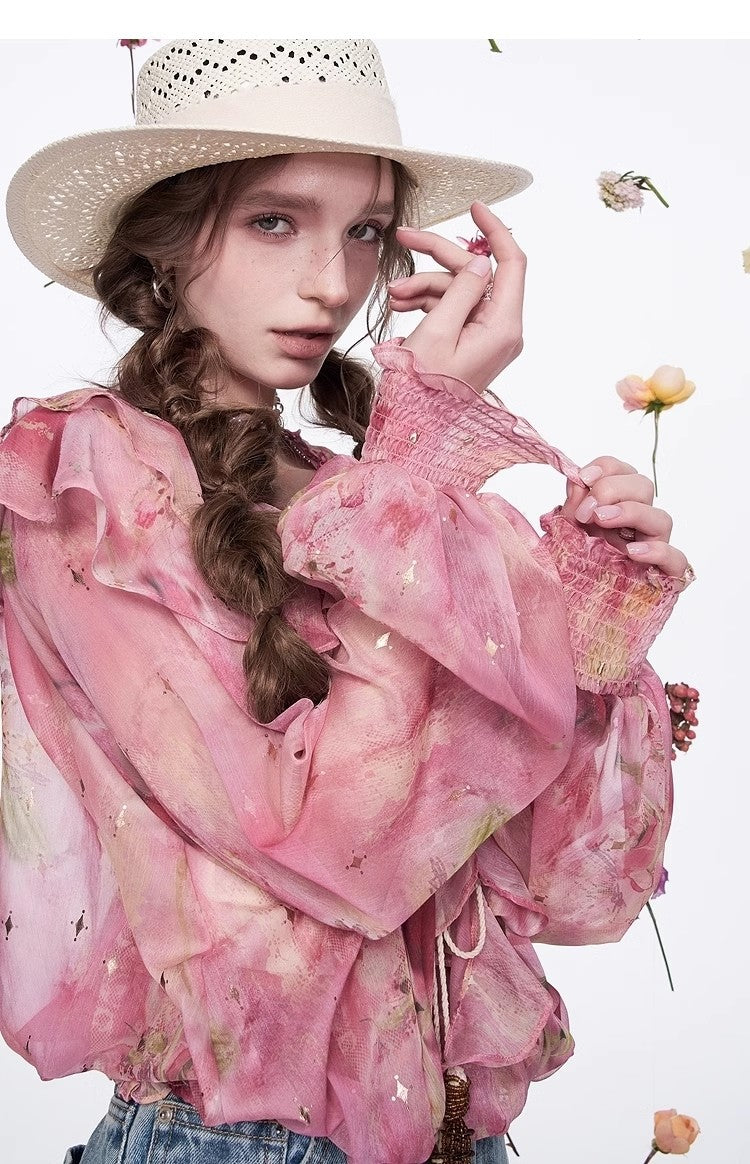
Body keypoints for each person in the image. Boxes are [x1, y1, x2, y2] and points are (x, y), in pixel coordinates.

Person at [0, 38, 694, 1164]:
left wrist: (587, 626)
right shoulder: (82, 479)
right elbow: (328, 844)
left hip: (451, 1136)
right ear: (166, 244)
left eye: (365, 230)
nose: (333, 281)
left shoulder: (347, 498)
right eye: (275, 221)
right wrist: (418, 489)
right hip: (235, 1137)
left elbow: (575, 889)